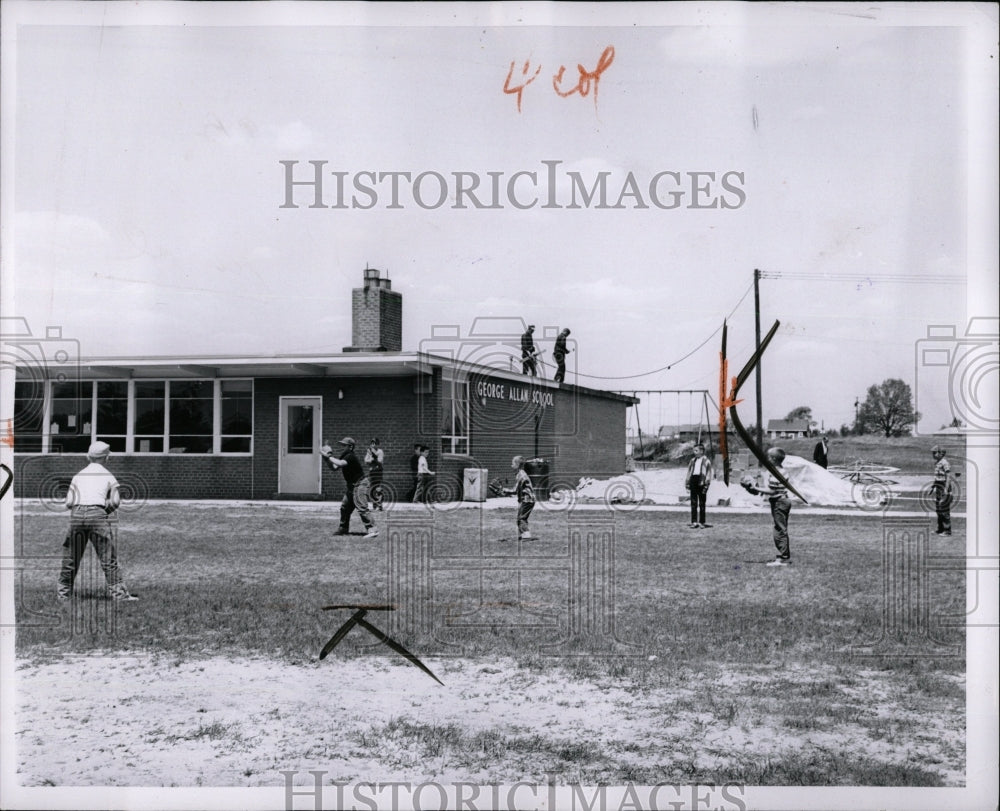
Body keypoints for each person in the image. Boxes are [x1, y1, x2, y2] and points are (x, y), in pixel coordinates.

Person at [57, 441, 138, 601]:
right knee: (108, 557)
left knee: (71, 557)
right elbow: (115, 501)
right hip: (98, 514)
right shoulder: (108, 475)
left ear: (89, 456)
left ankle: (63, 594)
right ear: (106, 457)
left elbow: (68, 502)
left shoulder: (78, 475)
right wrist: (102, 512)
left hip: (77, 514)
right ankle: (120, 595)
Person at [741, 447, 792, 566]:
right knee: (779, 529)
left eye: (769, 457)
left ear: (773, 459)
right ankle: (783, 556)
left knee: (780, 530)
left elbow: (772, 491)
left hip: (780, 502)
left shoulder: (778, 474)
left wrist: (755, 487)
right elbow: (769, 489)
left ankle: (783, 558)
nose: (767, 459)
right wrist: (752, 487)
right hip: (779, 501)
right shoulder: (777, 471)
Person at [322, 437, 378, 539]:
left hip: (360, 484)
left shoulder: (350, 456)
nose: (341, 447)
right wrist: (326, 460)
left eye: (344, 445)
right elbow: (334, 468)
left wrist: (328, 457)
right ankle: (343, 528)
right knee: (345, 507)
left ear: (350, 447)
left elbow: (340, 463)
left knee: (362, 507)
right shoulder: (344, 455)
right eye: (341, 445)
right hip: (352, 486)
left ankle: (372, 530)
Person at [504, 455, 536, 540]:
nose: (511, 466)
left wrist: (504, 490)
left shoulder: (521, 475)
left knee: (521, 518)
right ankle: (523, 535)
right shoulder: (520, 474)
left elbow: (515, 490)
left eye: (512, 464)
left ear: (517, 465)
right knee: (520, 518)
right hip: (526, 499)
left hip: (528, 499)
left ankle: (526, 536)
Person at [684, 442, 713, 528]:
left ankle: (702, 522)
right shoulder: (692, 461)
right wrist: (687, 484)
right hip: (693, 480)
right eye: (694, 450)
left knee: (702, 503)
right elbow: (689, 472)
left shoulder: (706, 461)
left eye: (696, 450)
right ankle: (694, 522)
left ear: (701, 451)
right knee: (693, 503)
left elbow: (708, 474)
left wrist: (706, 485)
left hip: (701, 482)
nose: (694, 452)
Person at [931, 445, 954, 536]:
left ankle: (947, 530)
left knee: (944, 509)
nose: (933, 455)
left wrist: (946, 489)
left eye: (934, 453)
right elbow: (937, 477)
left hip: (944, 486)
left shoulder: (944, 463)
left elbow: (948, 477)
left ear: (941, 453)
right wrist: (933, 486)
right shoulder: (937, 463)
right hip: (938, 486)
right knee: (938, 509)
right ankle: (940, 529)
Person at [364, 438, 385, 510]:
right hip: (372, 472)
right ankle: (374, 504)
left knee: (378, 488)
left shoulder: (380, 451)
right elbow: (366, 460)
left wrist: (373, 456)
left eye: (375, 443)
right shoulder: (369, 452)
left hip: (378, 471)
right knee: (372, 488)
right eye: (372, 443)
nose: (373, 445)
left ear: (378, 444)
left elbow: (380, 461)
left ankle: (380, 504)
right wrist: (371, 459)